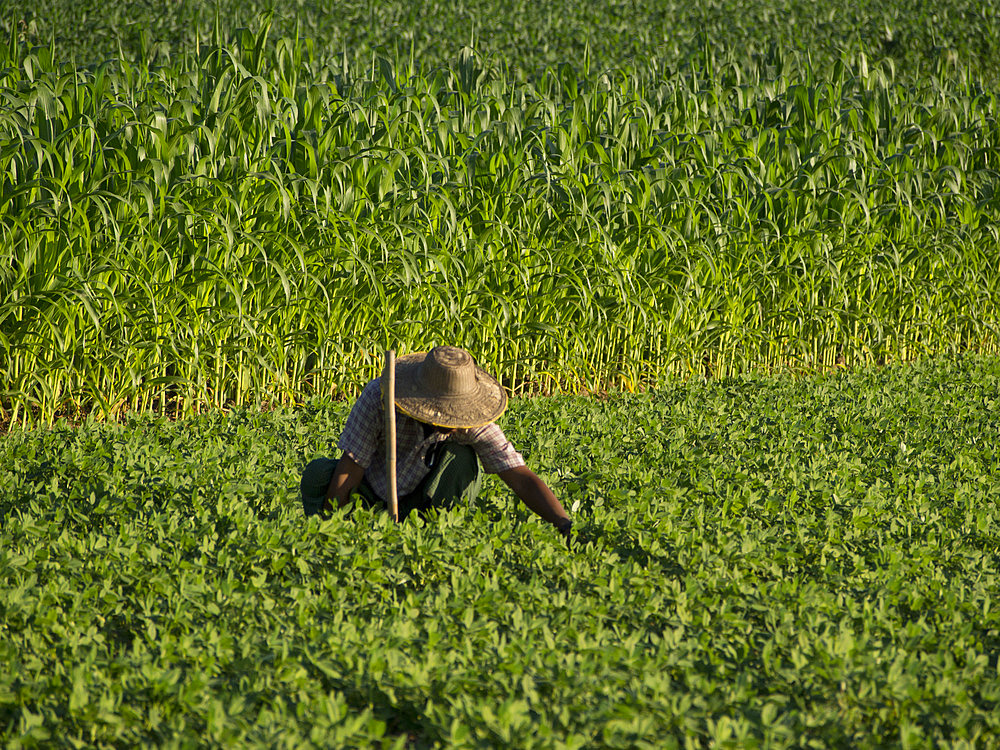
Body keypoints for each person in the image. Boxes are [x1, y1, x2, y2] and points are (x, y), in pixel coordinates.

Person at [300, 346, 573, 543]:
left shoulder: (470, 420)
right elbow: (352, 467)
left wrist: (563, 523)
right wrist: (333, 534)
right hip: (372, 495)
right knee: (319, 474)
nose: (454, 421)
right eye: (446, 412)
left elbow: (518, 475)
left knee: (462, 459)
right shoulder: (381, 398)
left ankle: (439, 536)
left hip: (424, 501)